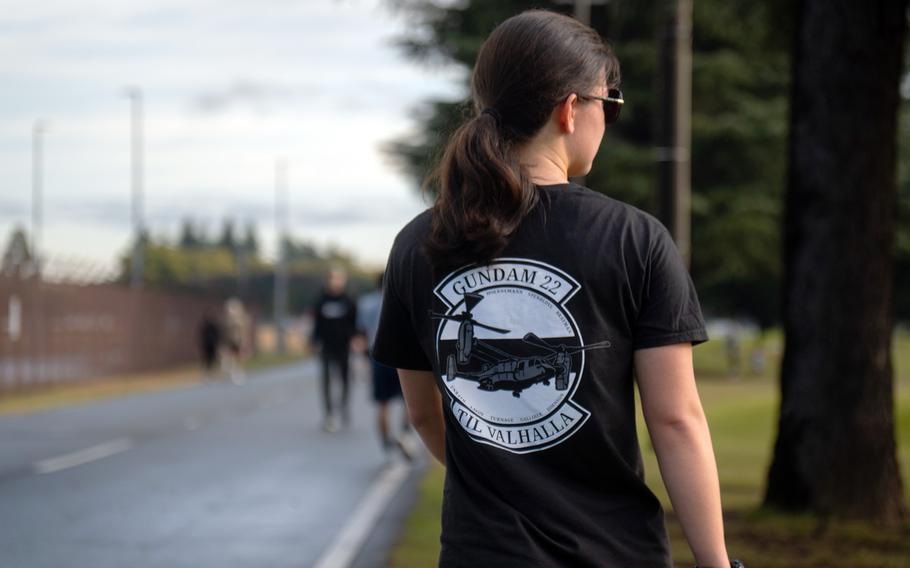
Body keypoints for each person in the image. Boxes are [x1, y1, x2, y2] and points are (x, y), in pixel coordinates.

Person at [371, 10, 741, 568]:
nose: (608, 120)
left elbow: (424, 414)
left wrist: (505, 476)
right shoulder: (634, 240)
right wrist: (717, 563)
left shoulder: (418, 243)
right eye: (608, 105)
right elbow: (675, 420)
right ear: (571, 109)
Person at [357, 272, 413, 462]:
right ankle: (405, 434)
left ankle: (386, 446)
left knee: (382, 404)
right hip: (401, 356)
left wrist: (364, 360)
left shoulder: (366, 304)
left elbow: (362, 334)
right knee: (409, 401)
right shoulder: (403, 298)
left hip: (378, 356)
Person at [311, 266, 358, 432]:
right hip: (326, 346)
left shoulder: (348, 301)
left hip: (344, 347)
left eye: (337, 278)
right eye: (331, 278)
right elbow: (316, 324)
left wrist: (355, 340)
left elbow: (355, 324)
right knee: (326, 381)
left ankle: (344, 408)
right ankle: (329, 414)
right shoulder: (321, 300)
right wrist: (314, 341)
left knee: (345, 380)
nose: (334, 282)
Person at [221, 297, 250, 385]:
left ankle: (238, 372)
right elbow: (224, 332)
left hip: (239, 341)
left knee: (240, 358)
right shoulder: (226, 320)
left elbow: (245, 331)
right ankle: (233, 371)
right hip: (230, 341)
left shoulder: (243, 319)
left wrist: (245, 342)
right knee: (231, 357)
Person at [198, 308, 221, 376]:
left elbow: (217, 334)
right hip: (206, 344)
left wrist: (217, 342)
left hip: (213, 344)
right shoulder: (204, 325)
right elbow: (201, 334)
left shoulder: (214, 325)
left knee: (213, 357)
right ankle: (206, 371)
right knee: (206, 358)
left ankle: (212, 370)